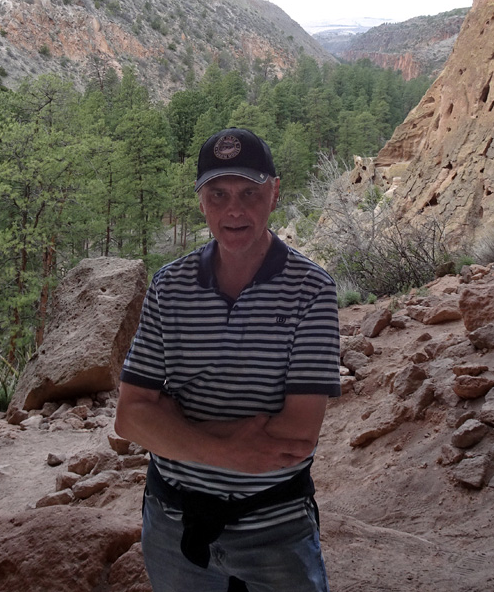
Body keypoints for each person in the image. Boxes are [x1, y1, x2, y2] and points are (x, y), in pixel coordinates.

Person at [115, 127, 341, 592]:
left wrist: (173, 424)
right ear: (200, 200)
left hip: (274, 528)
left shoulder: (312, 290)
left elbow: (296, 436)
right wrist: (229, 449)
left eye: (249, 192)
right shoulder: (169, 287)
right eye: (218, 193)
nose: (234, 209)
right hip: (173, 524)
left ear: (274, 192)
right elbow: (130, 417)